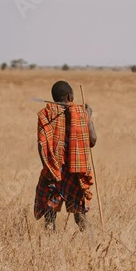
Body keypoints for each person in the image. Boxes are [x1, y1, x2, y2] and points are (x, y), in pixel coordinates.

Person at [34, 80, 97, 232]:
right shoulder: (81, 113)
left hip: (54, 169)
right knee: (80, 215)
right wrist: (89, 117)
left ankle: (50, 242)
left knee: (50, 214)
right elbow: (93, 141)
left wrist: (48, 169)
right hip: (76, 171)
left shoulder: (46, 114)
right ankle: (90, 242)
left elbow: (41, 144)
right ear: (70, 96)